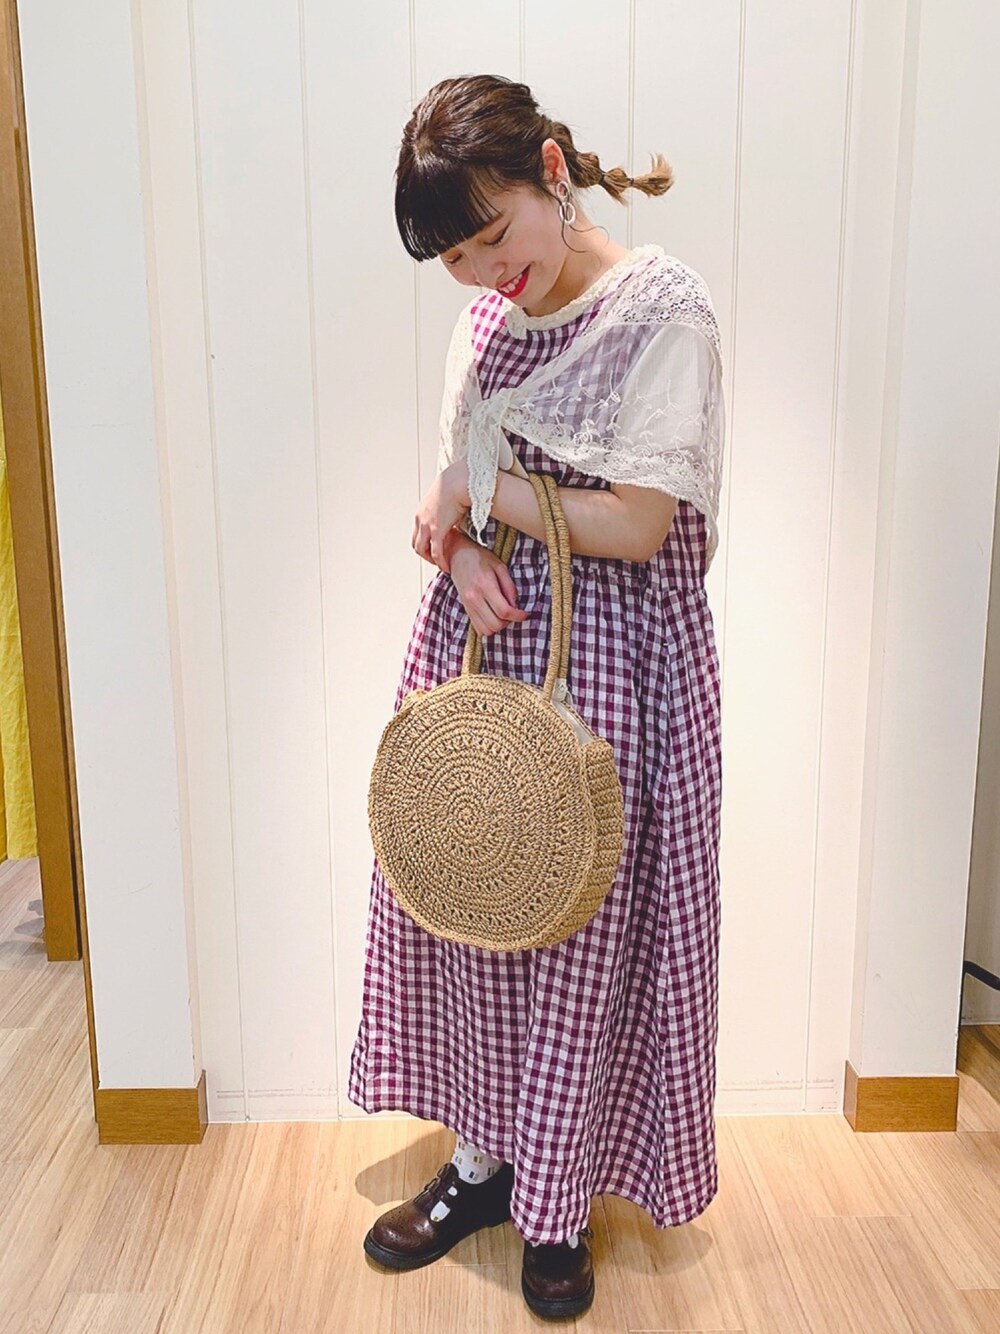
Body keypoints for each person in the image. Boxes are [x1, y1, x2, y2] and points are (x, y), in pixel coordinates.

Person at [349, 73, 725, 1322]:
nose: (480, 272)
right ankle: (479, 1162)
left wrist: (480, 487)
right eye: (454, 257)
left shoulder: (661, 309)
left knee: (583, 940)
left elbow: (638, 523)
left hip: (618, 668)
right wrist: (456, 548)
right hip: (488, 654)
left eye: (490, 234)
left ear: (551, 172)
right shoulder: (485, 322)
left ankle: (557, 1203)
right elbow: (445, 502)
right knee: (472, 911)